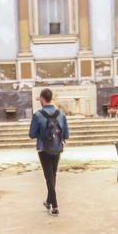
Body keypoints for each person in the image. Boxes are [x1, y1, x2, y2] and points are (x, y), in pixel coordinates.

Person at [29, 88, 70, 216]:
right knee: (52, 175)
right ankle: (48, 201)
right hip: (57, 148)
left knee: (49, 177)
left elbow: (31, 134)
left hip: (43, 149)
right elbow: (67, 135)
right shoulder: (61, 114)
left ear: (42, 99)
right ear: (51, 98)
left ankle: (55, 206)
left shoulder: (38, 115)